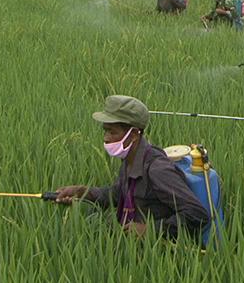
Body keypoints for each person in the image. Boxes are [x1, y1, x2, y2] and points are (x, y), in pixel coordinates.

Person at [54, 95, 210, 239]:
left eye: (112, 132)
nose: (106, 138)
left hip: (158, 251)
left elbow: (197, 214)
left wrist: (151, 229)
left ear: (134, 134)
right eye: (105, 131)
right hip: (130, 240)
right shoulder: (131, 159)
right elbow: (116, 195)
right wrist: (82, 192)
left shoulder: (157, 169)